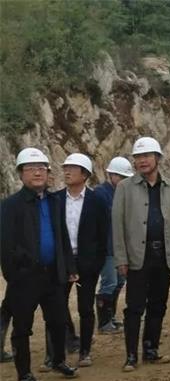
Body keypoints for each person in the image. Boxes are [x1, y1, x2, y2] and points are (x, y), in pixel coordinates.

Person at [1, 148, 78, 381]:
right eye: (31, 168)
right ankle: (24, 374)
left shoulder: (55, 201)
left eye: (42, 168)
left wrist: (69, 267)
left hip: (53, 274)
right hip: (25, 278)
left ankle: (58, 360)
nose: (37, 173)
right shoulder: (10, 205)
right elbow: (6, 244)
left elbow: (62, 236)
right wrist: (15, 275)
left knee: (57, 321)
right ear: (21, 174)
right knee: (22, 327)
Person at [113, 137, 170, 372]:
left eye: (146, 156)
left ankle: (151, 349)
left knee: (158, 305)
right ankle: (131, 355)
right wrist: (121, 258)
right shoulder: (125, 188)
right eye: (138, 157)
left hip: (163, 256)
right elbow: (117, 225)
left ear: (157, 158)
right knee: (134, 307)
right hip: (138, 257)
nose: (142, 161)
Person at [54, 153, 108, 368]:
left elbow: (103, 235)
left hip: (87, 263)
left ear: (84, 175)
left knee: (85, 308)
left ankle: (85, 351)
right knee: (57, 305)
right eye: (65, 168)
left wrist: (96, 264)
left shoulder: (96, 201)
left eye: (72, 169)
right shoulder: (56, 199)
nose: (67, 172)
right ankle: (61, 349)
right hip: (62, 261)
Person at [94, 157, 134, 334]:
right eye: (121, 177)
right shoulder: (100, 194)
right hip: (107, 248)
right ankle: (103, 323)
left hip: (120, 248)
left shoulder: (123, 194)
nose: (123, 180)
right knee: (109, 283)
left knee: (119, 282)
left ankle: (110, 318)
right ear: (111, 175)